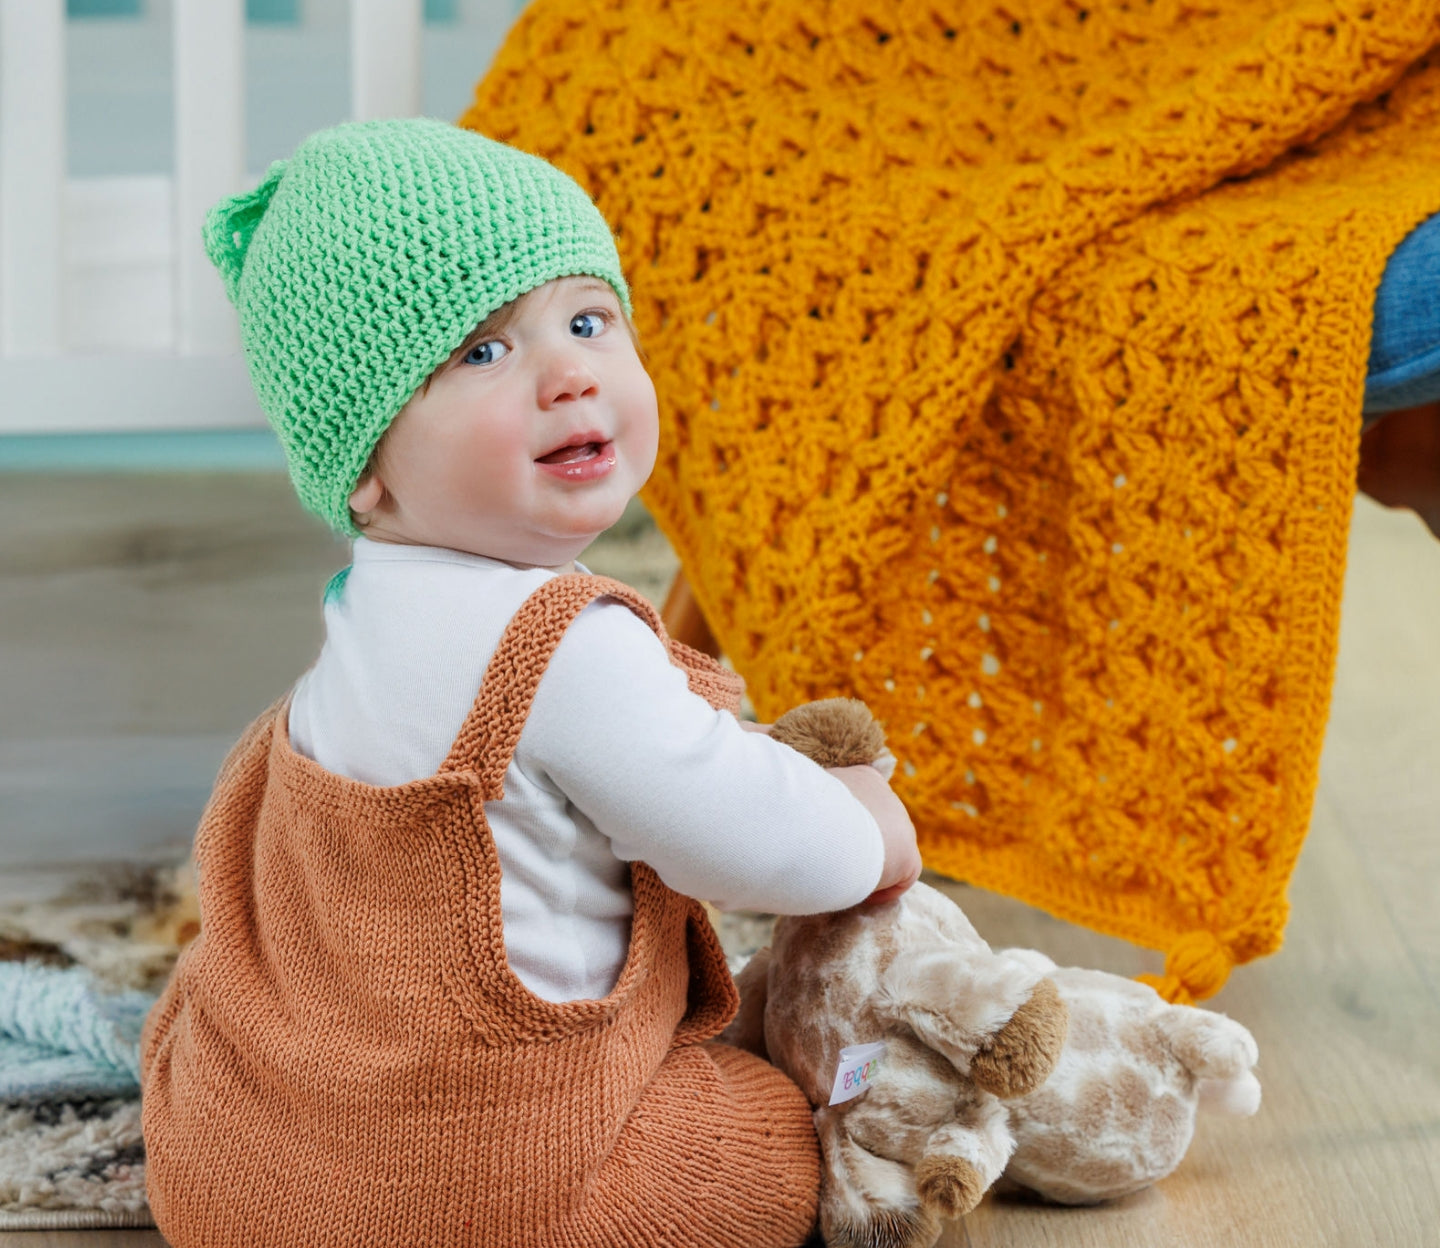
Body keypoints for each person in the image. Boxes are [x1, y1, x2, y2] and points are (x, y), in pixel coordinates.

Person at [139, 117, 921, 1248]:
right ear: (363, 467)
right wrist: (867, 830)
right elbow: (749, 840)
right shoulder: (561, 646)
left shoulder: (360, 624)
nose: (569, 375)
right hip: (505, 1191)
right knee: (781, 1124)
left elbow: (646, 771)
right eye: (482, 353)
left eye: (589, 320)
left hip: (237, 1179)